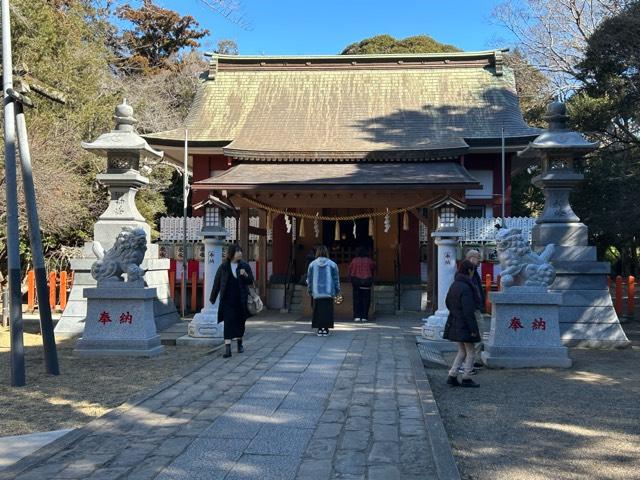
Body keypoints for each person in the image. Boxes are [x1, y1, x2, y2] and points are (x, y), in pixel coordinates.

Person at [210, 244, 255, 358]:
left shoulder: (244, 265)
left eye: (240, 251)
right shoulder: (224, 267)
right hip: (227, 300)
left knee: (240, 322)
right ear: (231, 253)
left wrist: (245, 274)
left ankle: (240, 344)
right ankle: (228, 349)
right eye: (237, 251)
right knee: (228, 323)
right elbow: (217, 282)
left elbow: (251, 281)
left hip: (241, 299)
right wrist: (213, 297)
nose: (240, 253)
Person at [443, 260, 481, 388]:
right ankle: (466, 377)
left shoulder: (455, 284)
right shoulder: (467, 287)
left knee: (462, 351)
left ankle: (452, 375)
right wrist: (473, 329)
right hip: (464, 324)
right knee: (470, 352)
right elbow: (468, 311)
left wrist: (455, 313)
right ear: (469, 271)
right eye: (473, 270)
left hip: (455, 321)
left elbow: (447, 302)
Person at [307, 245, 340, 336]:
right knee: (327, 311)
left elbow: (309, 279)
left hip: (317, 292)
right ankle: (326, 329)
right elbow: (336, 279)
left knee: (317, 311)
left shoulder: (312, 264)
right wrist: (337, 290)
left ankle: (319, 329)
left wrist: (310, 290)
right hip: (328, 291)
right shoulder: (332, 264)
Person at [465, 249, 487, 371]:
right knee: (476, 334)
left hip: (474, 308)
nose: (479, 261)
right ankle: (469, 364)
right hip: (472, 309)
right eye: (478, 258)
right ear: (471, 258)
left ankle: (473, 360)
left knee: (478, 333)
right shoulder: (469, 273)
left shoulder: (473, 272)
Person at [348, 247, 376, 322]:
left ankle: (357, 316)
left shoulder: (354, 260)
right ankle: (364, 316)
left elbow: (350, 269)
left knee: (356, 299)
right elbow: (373, 267)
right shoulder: (369, 260)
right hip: (366, 282)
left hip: (356, 281)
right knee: (366, 299)